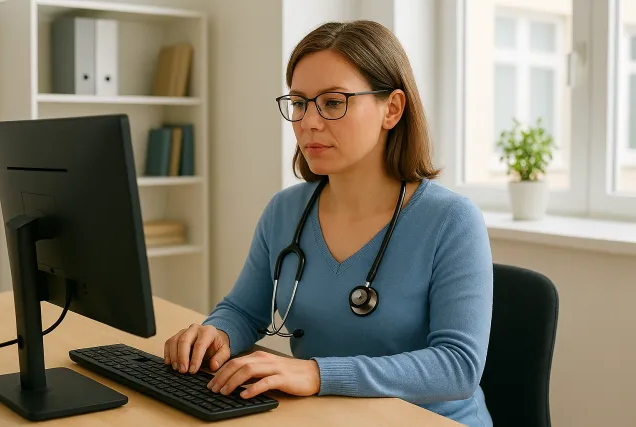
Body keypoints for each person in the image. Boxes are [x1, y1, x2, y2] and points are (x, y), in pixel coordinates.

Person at [163, 20, 493, 427]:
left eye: (333, 103)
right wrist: (216, 334)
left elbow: (458, 367)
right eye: (299, 103)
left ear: (392, 108)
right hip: (323, 416)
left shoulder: (451, 221)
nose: (309, 123)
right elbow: (244, 311)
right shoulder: (284, 211)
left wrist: (318, 373)